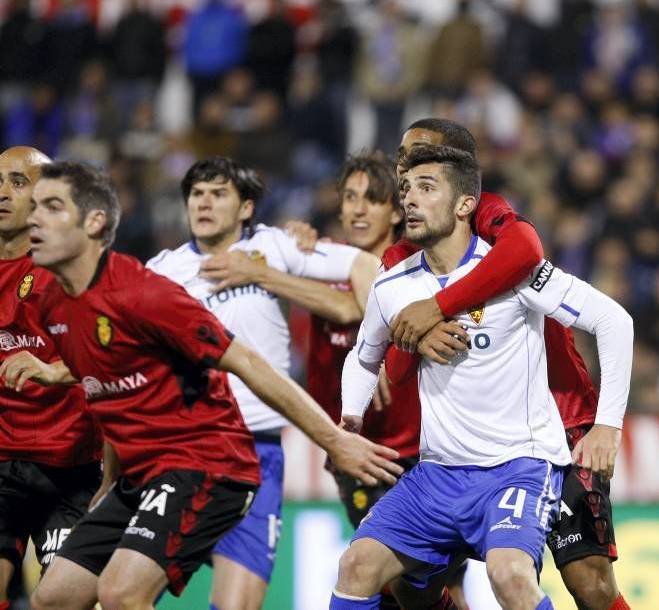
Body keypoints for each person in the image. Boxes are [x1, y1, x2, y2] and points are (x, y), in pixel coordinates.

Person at [0, 161, 403, 610]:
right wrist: (109, 478)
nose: (33, 217)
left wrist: (336, 439)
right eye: (34, 207)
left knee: (123, 592)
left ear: (94, 222)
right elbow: (113, 390)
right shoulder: (60, 302)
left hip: (209, 460)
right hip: (142, 470)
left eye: (51, 207)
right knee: (52, 598)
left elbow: (250, 362)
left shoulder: (149, 291)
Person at [330, 145, 633, 609]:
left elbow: (613, 321)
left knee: (509, 576)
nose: (409, 199)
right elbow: (363, 356)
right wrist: (349, 418)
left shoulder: (514, 274)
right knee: (357, 567)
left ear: (465, 204)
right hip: (436, 473)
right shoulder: (392, 285)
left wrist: (608, 425)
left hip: (519, 467)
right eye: (407, 188)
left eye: (426, 188)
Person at [145, 155, 382, 610]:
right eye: (197, 194)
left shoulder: (275, 247)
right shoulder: (162, 272)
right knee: (126, 592)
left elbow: (364, 268)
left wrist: (379, 349)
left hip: (257, 453)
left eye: (219, 194)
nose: (204, 203)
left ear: (246, 208)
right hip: (185, 448)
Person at [0, 147, 103, 610]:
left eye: (18, 182)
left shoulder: (68, 268)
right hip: (4, 461)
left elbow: (111, 355)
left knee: (60, 602)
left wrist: (52, 370)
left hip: (71, 466)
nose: (2, 193)